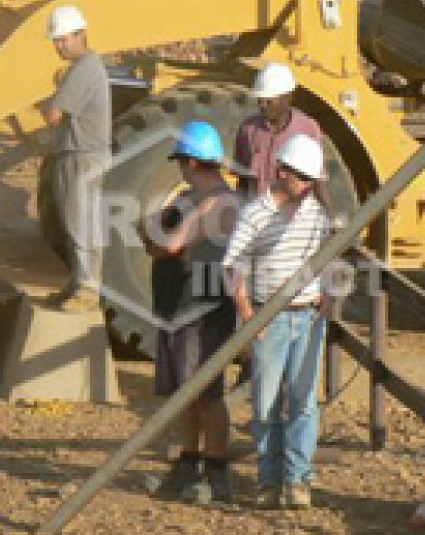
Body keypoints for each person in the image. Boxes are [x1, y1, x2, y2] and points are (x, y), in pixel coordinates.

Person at [220, 133, 337, 510]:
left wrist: (327, 293)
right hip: (268, 317)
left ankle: (298, 481)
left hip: (307, 316)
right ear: (281, 172)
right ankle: (269, 482)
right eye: (300, 178)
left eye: (310, 180)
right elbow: (232, 265)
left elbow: (328, 253)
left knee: (304, 402)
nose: (305, 186)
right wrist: (248, 313)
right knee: (266, 405)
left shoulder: (315, 212)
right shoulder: (255, 214)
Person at [138, 121, 238, 503]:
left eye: (181, 162)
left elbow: (171, 241)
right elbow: (152, 231)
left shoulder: (217, 203)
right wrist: (157, 237)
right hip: (180, 306)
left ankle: (216, 472)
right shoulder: (189, 198)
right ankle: (189, 463)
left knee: (207, 392)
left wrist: (158, 238)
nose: (180, 169)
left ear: (192, 162)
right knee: (186, 392)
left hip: (203, 310)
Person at [41, 5, 111, 313]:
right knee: (74, 221)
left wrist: (47, 105)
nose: (59, 46)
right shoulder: (80, 68)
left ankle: (88, 289)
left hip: (85, 155)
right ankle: (78, 281)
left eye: (64, 39)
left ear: (81, 35)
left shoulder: (85, 68)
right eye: (56, 41)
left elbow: (54, 115)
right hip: (76, 152)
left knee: (83, 223)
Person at [233, 63, 333, 216]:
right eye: (260, 100)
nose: (263, 106)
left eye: (269, 101)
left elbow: (318, 181)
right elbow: (243, 181)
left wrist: (331, 218)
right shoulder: (248, 130)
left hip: (293, 220)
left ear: (287, 97)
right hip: (257, 219)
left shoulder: (308, 129)